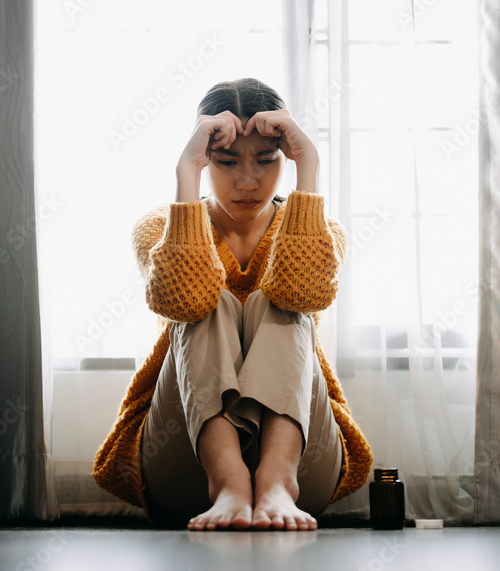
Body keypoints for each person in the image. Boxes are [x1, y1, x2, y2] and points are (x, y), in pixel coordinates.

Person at [93, 78, 371, 531]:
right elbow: (182, 299)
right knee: (204, 301)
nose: (248, 181)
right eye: (225, 162)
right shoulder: (159, 227)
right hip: (185, 468)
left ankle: (277, 481)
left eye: (266, 160)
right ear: (206, 160)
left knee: (283, 302)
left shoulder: (318, 228)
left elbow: (304, 294)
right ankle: (227, 483)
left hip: (301, 468)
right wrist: (185, 170)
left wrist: (310, 166)